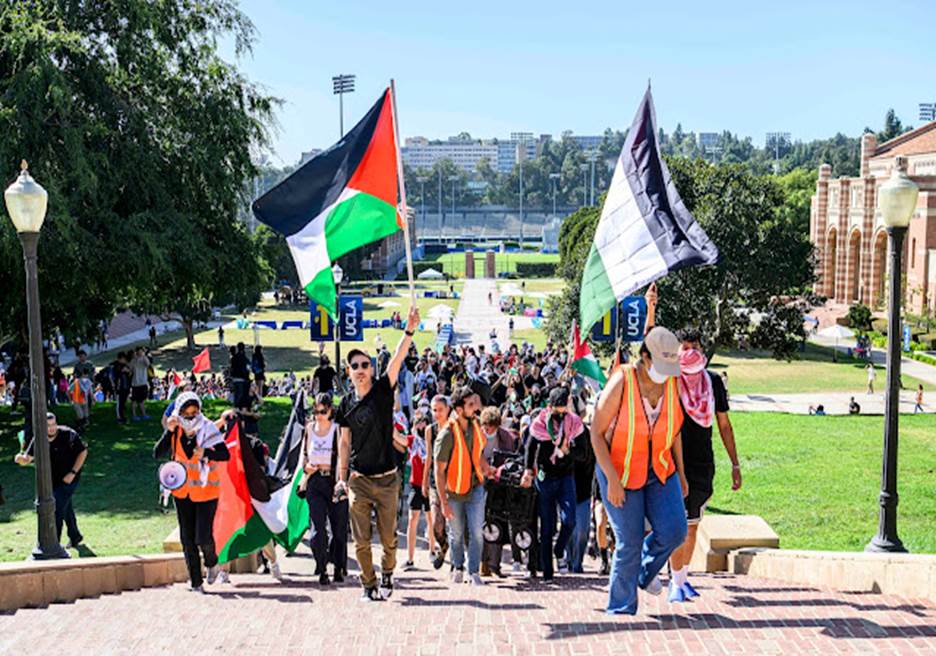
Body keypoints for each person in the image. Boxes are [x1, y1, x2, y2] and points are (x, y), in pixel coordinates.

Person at [589, 327, 689, 615]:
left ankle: (644, 573)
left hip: (660, 468)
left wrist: (681, 473)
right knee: (629, 541)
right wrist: (612, 481)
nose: (665, 373)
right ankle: (621, 609)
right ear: (644, 357)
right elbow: (596, 433)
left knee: (675, 530)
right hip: (619, 469)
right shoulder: (622, 380)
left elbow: (675, 431)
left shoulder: (672, 382)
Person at [335, 305, 420, 602]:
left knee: (388, 538)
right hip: (358, 480)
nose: (360, 370)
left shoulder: (384, 390)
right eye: (355, 366)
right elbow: (343, 443)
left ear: (371, 368)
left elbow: (396, 359)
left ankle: (387, 574)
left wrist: (409, 330)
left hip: (386, 480)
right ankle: (368, 585)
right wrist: (341, 479)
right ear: (349, 371)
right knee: (360, 541)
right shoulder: (344, 405)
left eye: (365, 365)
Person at [665, 327, 741, 602]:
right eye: (683, 347)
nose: (690, 352)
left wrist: (735, 463)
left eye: (694, 346)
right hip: (674, 464)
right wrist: (649, 309)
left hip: (703, 463)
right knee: (678, 525)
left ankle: (683, 577)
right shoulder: (670, 381)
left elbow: (724, 424)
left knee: (694, 525)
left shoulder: (713, 382)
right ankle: (674, 581)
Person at [153, 392, 230, 592]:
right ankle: (196, 582)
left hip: (207, 491)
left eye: (194, 412)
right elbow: (157, 453)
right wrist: (168, 432)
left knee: (203, 537)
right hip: (182, 492)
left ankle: (212, 562)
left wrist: (206, 453)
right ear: (179, 413)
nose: (190, 418)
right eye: (186, 414)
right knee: (187, 538)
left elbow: (224, 454)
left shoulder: (208, 428)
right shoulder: (175, 431)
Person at [521, 386, 587, 581]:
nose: (560, 412)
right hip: (545, 477)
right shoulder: (540, 423)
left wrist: (567, 452)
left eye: (562, 407)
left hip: (566, 476)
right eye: (556, 408)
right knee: (547, 526)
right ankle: (547, 572)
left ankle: (560, 549)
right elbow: (530, 447)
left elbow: (583, 453)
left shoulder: (574, 424)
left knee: (570, 520)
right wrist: (527, 470)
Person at [433, 385, 491, 586]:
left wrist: (488, 469)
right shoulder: (447, 434)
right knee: (456, 534)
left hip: (475, 488)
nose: (475, 407)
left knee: (476, 532)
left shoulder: (476, 426)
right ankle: (457, 567)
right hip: (454, 493)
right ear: (458, 410)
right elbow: (439, 471)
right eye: (470, 404)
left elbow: (480, 455)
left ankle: (473, 571)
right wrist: (443, 502)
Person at [15, 412, 88, 549]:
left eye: (54, 424)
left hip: (70, 478)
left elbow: (83, 452)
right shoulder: (38, 439)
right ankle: (75, 535)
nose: (52, 428)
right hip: (53, 480)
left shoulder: (68, 434)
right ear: (42, 426)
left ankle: (53, 546)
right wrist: (20, 459)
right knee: (65, 506)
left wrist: (72, 473)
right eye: (48, 426)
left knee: (56, 507)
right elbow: (27, 459)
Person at [300, 392, 348, 585]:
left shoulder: (337, 429)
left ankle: (338, 567)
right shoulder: (309, 429)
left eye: (323, 411)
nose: (319, 415)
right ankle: (321, 567)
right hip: (315, 482)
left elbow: (345, 455)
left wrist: (343, 480)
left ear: (330, 411)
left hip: (334, 481)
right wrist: (306, 467)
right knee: (318, 529)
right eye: (316, 411)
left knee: (338, 528)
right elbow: (304, 455)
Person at [478, 406, 521, 576]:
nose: (488, 431)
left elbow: (510, 459)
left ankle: (495, 564)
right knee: (481, 522)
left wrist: (498, 470)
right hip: (479, 481)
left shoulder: (505, 437)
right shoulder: (477, 435)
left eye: (491, 428)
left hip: (498, 483)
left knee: (497, 521)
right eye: (486, 427)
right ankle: (482, 563)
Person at [423, 394, 451, 570]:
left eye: (440, 409)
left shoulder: (453, 428)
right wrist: (424, 481)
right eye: (434, 410)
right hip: (434, 481)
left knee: (454, 522)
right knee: (436, 525)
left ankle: (457, 562)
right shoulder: (429, 430)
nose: (437, 413)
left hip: (452, 481)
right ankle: (443, 546)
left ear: (447, 409)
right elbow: (428, 457)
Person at [404, 411, 432, 569]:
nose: (420, 428)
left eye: (423, 424)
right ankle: (410, 558)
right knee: (412, 519)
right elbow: (398, 438)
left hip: (428, 484)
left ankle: (433, 550)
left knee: (431, 519)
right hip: (415, 484)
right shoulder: (412, 441)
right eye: (418, 424)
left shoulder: (432, 442)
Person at [129, 347, 151, 421]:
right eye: (139, 351)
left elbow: (148, 364)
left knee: (141, 400)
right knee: (134, 400)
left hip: (143, 382)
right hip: (135, 383)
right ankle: (134, 415)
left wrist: (144, 356)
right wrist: (135, 359)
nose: (140, 353)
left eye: (141, 351)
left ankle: (143, 414)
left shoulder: (144, 359)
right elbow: (130, 368)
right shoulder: (133, 360)